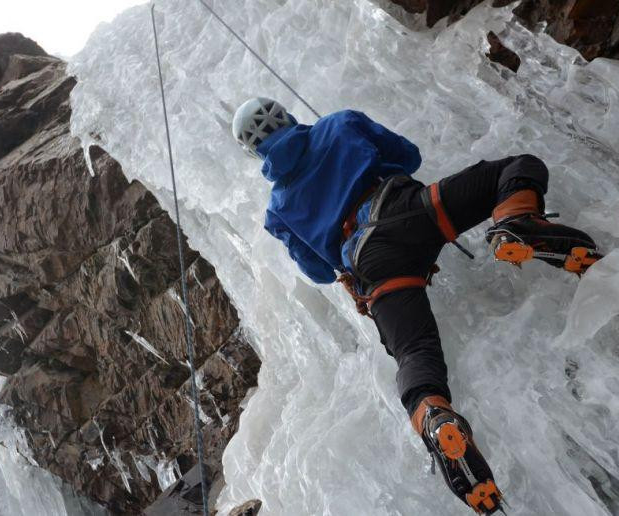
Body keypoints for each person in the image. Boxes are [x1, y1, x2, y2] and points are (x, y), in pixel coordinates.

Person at [232, 97, 600, 514]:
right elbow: (408, 155)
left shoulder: (277, 210)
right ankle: (517, 221)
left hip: (373, 263)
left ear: (254, 151)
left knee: (414, 352)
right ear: (284, 114)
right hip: (411, 209)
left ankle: (433, 415)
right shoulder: (338, 124)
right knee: (515, 169)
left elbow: (319, 271)